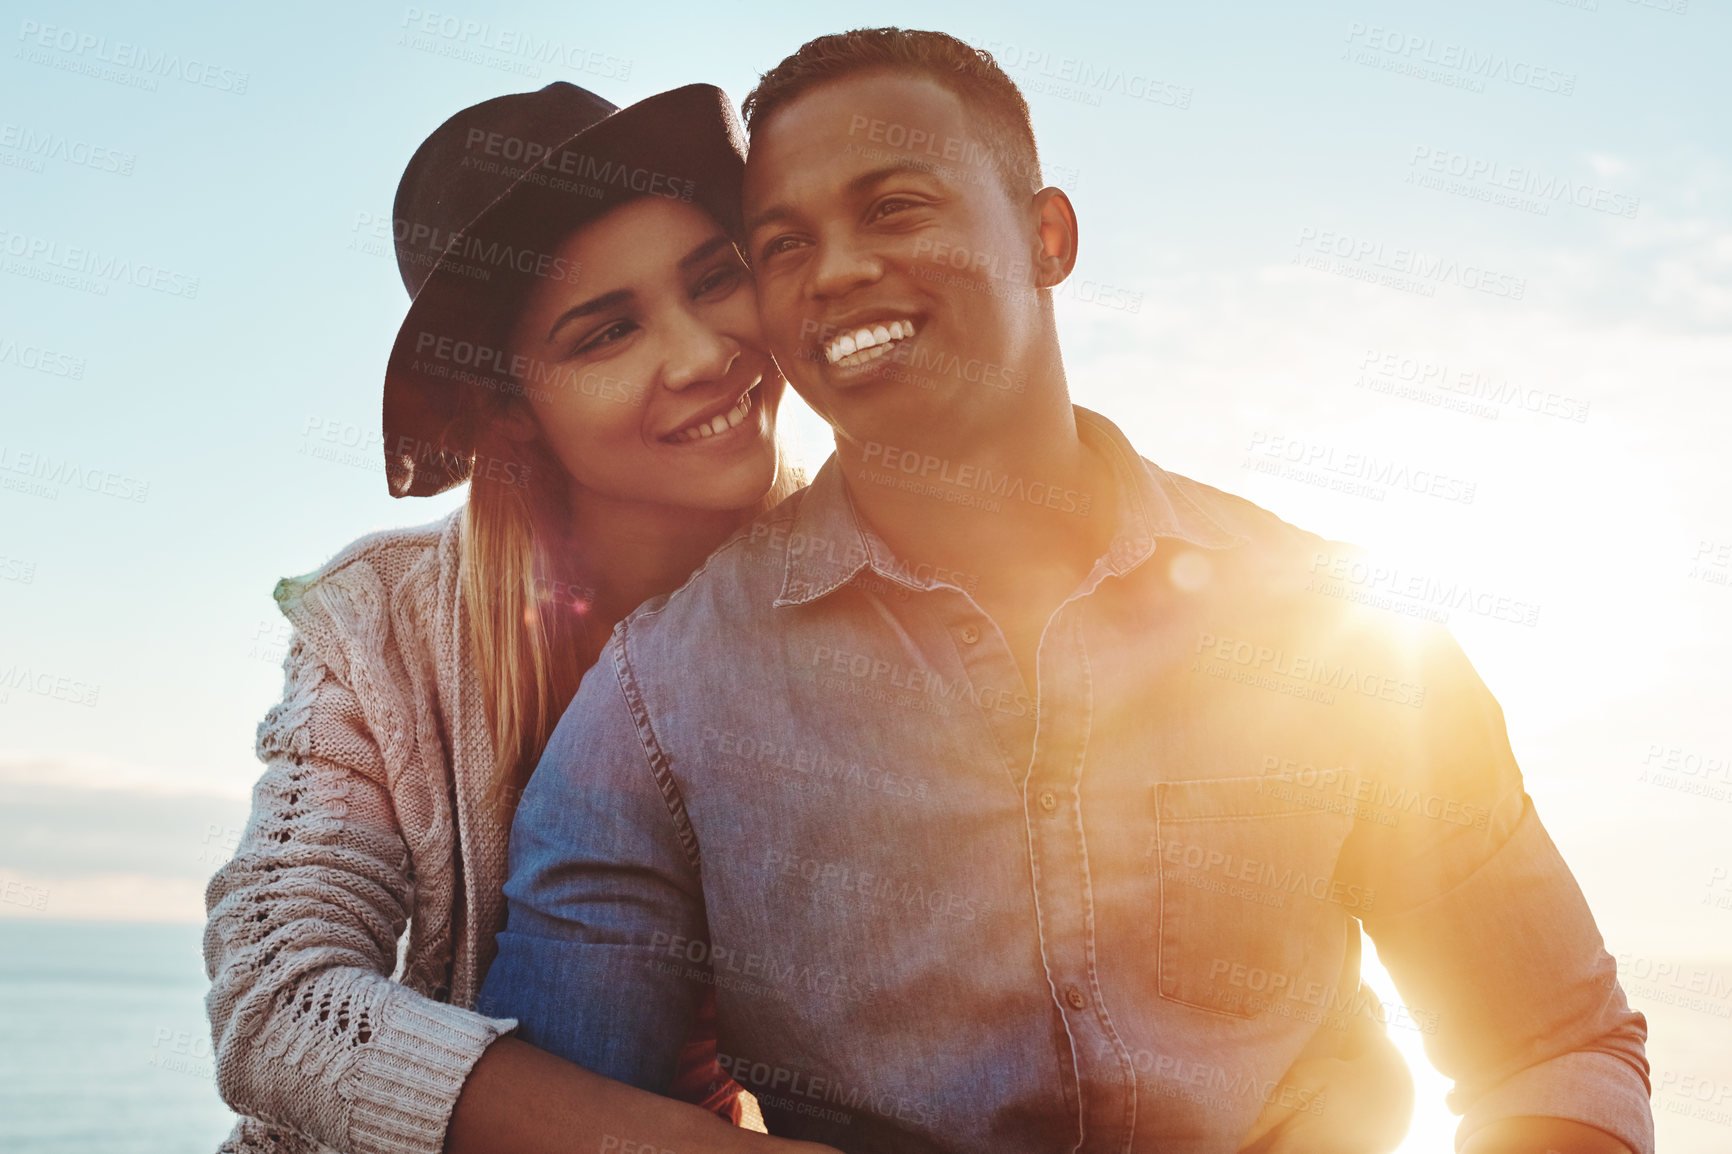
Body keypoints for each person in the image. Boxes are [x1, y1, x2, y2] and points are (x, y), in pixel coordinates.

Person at [478, 28, 1653, 1154]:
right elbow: (577, 1118)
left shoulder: (1333, 622)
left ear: (1048, 236)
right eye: (781, 244)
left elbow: (1550, 1043)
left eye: (893, 205)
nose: (835, 269)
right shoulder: (659, 699)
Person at [202, 82, 827, 1154]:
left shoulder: (860, 585)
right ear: (505, 409)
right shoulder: (380, 620)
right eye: (605, 333)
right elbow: (276, 999)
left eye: (713, 279)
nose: (700, 353)